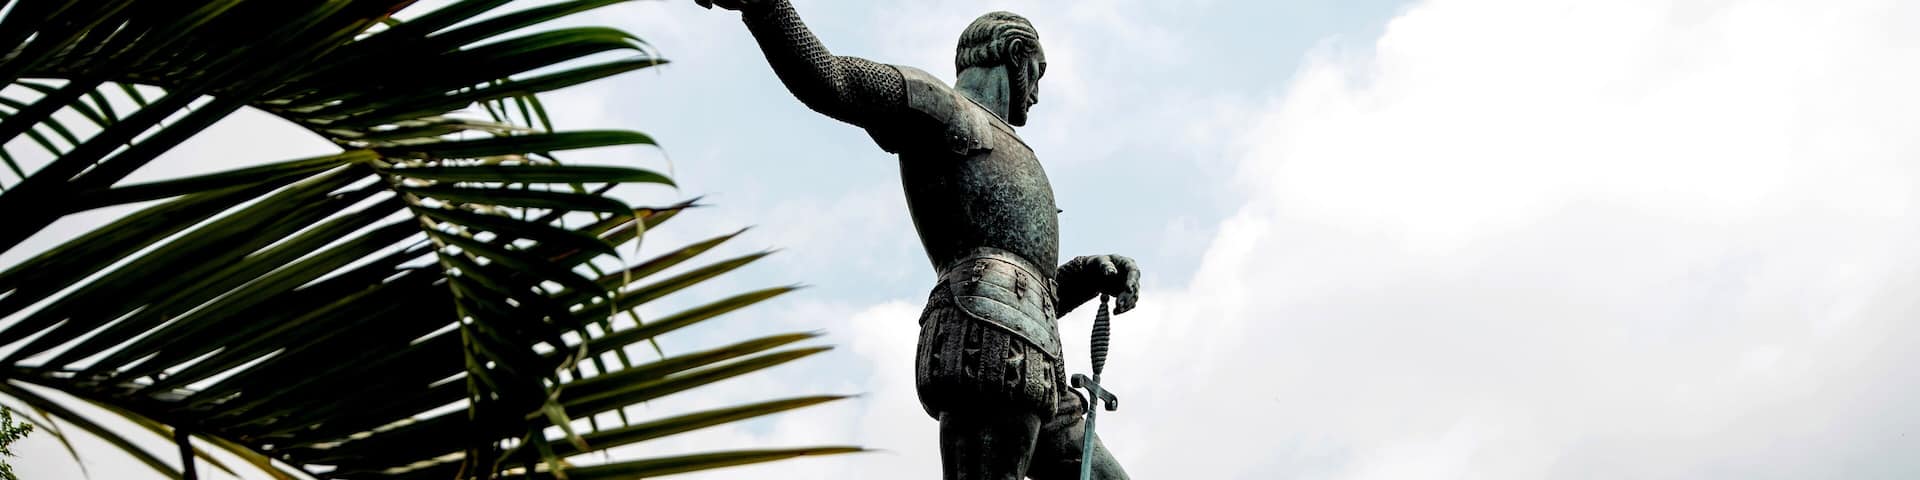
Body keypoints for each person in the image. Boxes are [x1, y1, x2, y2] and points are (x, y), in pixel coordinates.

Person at [698, 1, 1142, 478]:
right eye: (1037, 73)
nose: (1036, 92)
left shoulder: (1015, 147)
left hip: (1042, 362)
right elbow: (833, 81)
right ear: (1015, 54)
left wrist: (1087, 273)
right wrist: (765, 7)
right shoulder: (944, 109)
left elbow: (1035, 285)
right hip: (985, 342)